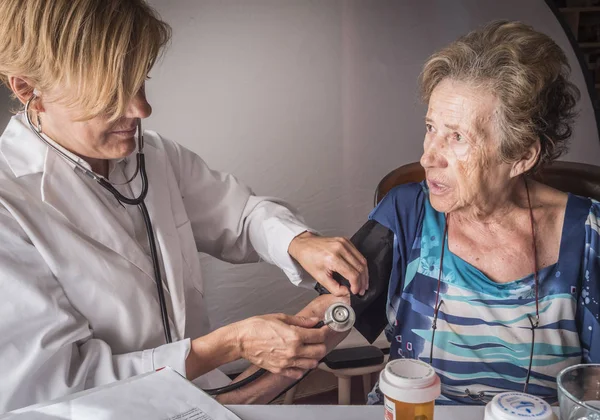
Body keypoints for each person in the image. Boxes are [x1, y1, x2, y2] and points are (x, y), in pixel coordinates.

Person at [0, 0, 364, 412]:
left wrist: (299, 242)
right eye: (109, 94)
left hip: (199, 400)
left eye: (141, 82)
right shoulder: (9, 206)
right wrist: (229, 345)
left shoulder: (152, 157)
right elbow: (55, 384)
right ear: (29, 90)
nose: (142, 109)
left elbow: (241, 215)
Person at [365, 21, 599, 405]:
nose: (428, 157)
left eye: (457, 137)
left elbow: (593, 395)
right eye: (430, 127)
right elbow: (315, 330)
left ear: (522, 156)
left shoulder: (590, 237)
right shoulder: (406, 212)